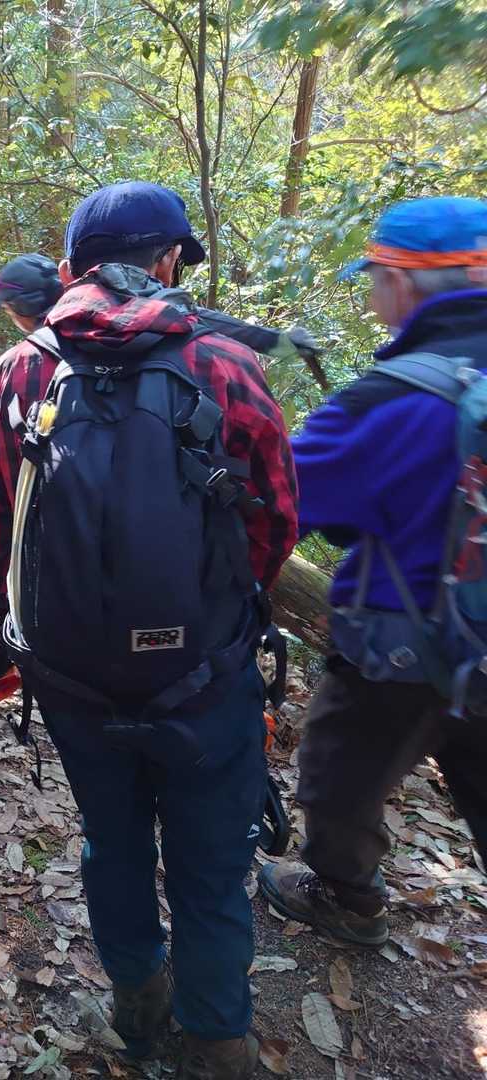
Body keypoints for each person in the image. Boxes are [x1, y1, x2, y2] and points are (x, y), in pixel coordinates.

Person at [0, 181, 298, 1079]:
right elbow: (275, 521)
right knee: (211, 863)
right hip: (206, 677)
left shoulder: (17, 374)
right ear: (170, 260)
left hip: (72, 680)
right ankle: (218, 1040)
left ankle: (137, 1006)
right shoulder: (226, 366)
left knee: (112, 843)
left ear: (71, 268)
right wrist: (222, 615)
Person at [258, 196, 487, 947]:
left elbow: (279, 498)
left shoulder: (389, 401)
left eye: (376, 279)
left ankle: (345, 897)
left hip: (401, 650)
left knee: (339, 778)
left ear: (403, 282)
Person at [0, 253, 321, 363]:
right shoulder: (124, 307)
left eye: (9, 309)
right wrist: (280, 341)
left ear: (24, 307)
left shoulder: (37, 356)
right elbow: (204, 320)